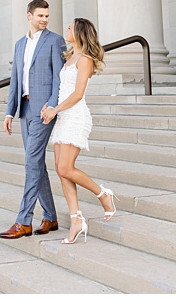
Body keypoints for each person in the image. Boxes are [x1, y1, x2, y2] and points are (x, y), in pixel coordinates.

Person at [41, 18, 117, 243]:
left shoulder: (85, 60)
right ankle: (76, 219)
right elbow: (62, 89)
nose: (66, 29)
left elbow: (77, 94)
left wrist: (55, 110)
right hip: (62, 114)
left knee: (65, 167)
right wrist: (50, 106)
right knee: (60, 169)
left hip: (75, 116)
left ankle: (103, 194)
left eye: (70, 27)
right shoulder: (69, 57)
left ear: (79, 32)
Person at [0, 0, 65, 239]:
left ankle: (24, 221)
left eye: (47, 15)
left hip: (43, 111)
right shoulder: (19, 45)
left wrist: (53, 106)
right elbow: (15, 80)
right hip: (24, 109)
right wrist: (9, 112)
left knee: (31, 163)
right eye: (40, 16)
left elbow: (59, 77)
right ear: (29, 15)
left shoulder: (55, 41)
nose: (45, 20)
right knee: (36, 163)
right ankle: (51, 216)